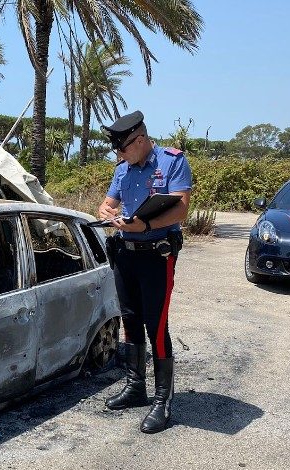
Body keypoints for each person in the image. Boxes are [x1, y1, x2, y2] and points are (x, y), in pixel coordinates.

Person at [97, 111, 192, 433]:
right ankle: (136, 388)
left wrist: (147, 224)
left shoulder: (172, 162)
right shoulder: (122, 169)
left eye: (122, 148)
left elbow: (181, 207)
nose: (119, 155)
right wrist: (107, 210)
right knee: (130, 318)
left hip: (157, 254)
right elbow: (108, 203)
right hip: (126, 252)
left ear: (139, 141)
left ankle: (163, 400)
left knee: (156, 322)